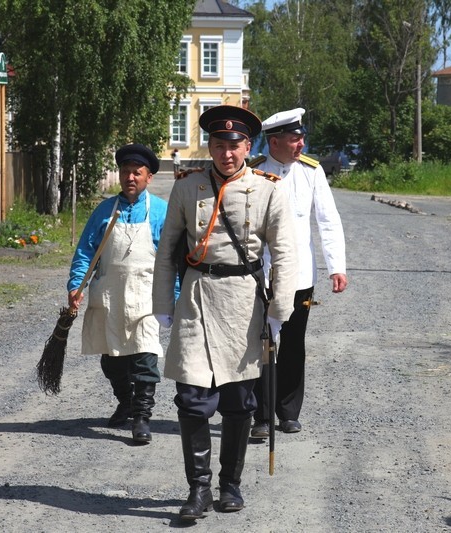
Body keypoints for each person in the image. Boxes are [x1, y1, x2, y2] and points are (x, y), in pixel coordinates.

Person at [152, 105, 298, 520]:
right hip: (196, 297)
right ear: (211, 147)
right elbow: (167, 250)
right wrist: (162, 303)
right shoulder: (187, 187)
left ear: (247, 147)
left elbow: (284, 253)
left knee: (238, 400)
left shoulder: (268, 190)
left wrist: (277, 309)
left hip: (243, 302)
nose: (226, 153)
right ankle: (198, 490)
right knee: (192, 399)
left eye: (234, 145)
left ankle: (229, 485)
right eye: (219, 145)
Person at [249, 107, 348, 438]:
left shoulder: (311, 171)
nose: (301, 145)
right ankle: (261, 416)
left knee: (293, 343)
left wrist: (337, 266)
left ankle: (288, 411)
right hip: (262, 274)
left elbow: (328, 219)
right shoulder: (254, 172)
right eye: (294, 139)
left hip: (301, 277)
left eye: (302, 138)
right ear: (274, 141)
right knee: (263, 343)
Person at [68, 143, 168, 444]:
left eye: (136, 172)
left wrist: (173, 295)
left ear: (148, 177)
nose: (130, 177)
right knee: (111, 360)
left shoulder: (161, 211)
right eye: (125, 172)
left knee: (145, 358)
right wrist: (76, 285)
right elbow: (85, 252)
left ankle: (141, 417)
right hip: (109, 296)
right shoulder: (104, 211)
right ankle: (125, 401)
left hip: (146, 297)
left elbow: (172, 257)